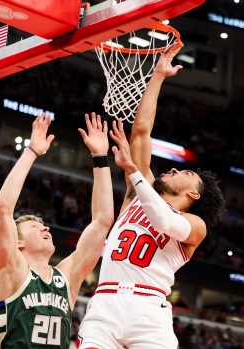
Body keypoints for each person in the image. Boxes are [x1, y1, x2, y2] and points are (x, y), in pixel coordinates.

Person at [78, 43, 226, 349]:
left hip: (148, 310)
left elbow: (163, 220)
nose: (172, 169)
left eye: (183, 173)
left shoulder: (195, 226)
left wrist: (133, 171)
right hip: (105, 303)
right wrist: (157, 77)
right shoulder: (137, 192)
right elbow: (142, 132)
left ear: (193, 194)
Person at [0, 112, 118, 349]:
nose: (45, 227)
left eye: (43, 225)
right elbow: (3, 208)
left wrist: (100, 157)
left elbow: (103, 221)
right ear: (18, 243)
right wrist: (32, 151)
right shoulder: (12, 269)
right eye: (34, 227)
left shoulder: (66, 277)